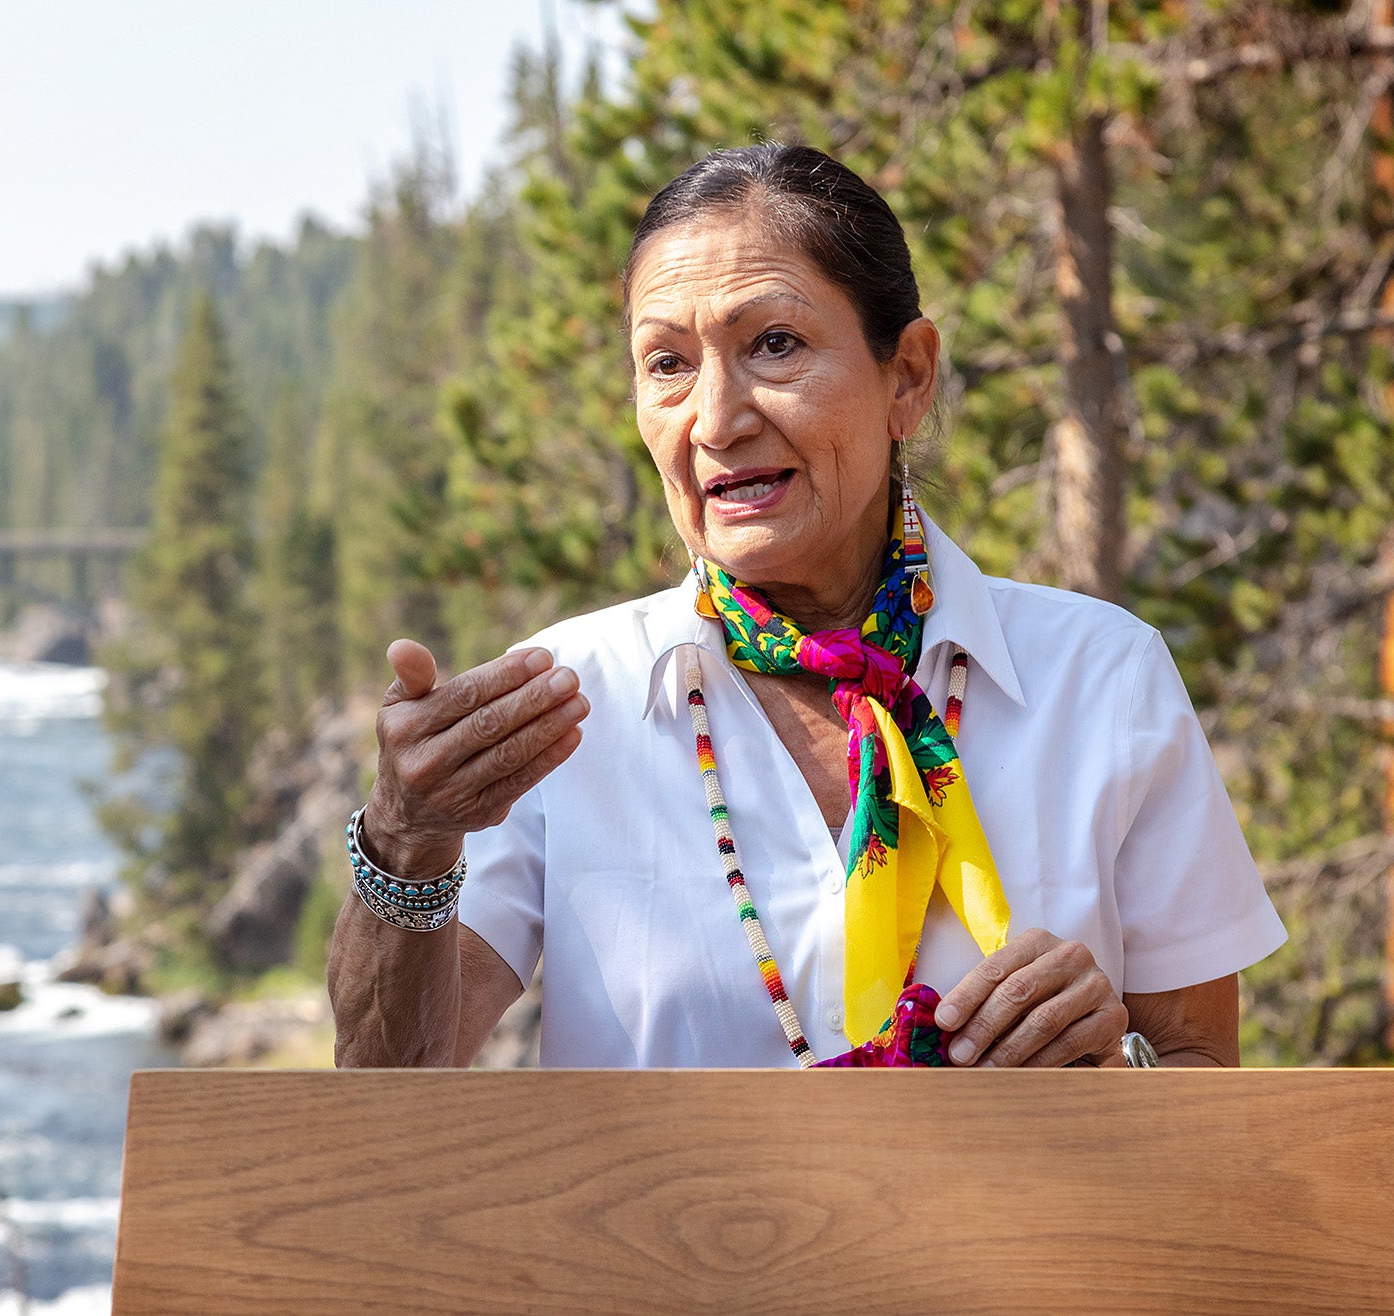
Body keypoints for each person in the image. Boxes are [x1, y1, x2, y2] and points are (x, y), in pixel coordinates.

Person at [327, 143, 1285, 1070]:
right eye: (666, 364)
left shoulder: (1101, 680)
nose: (713, 418)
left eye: (773, 345)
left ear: (907, 375)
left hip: (1012, 1243)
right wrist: (407, 837)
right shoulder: (569, 708)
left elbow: (1200, 1063)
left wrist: (1113, 1066)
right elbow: (387, 1088)